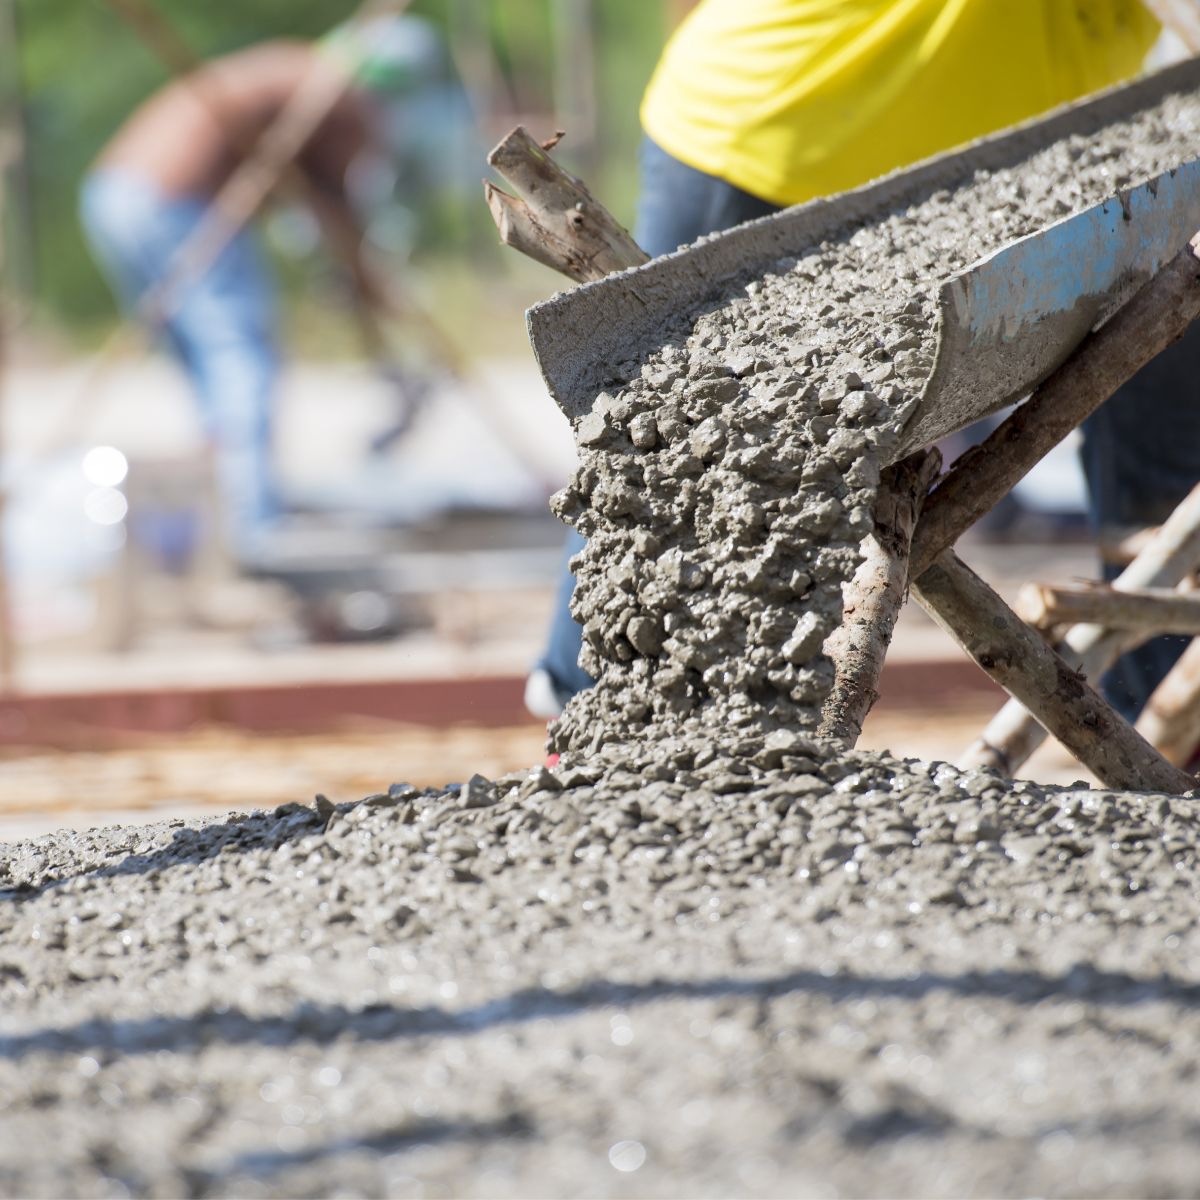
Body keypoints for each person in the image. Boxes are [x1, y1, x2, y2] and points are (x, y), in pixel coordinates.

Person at [527, 0, 1195, 725]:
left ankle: (1166, 717)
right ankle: (594, 712)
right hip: (775, 129)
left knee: (1164, 405)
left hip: (1017, 173)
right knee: (672, 450)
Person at [79, 17, 441, 565]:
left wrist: (358, 280)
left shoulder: (297, 73)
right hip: (176, 201)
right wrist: (372, 291)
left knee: (205, 363)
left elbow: (322, 205)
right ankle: (252, 523)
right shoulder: (339, 98)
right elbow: (339, 210)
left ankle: (222, 503)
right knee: (239, 351)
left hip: (115, 194)